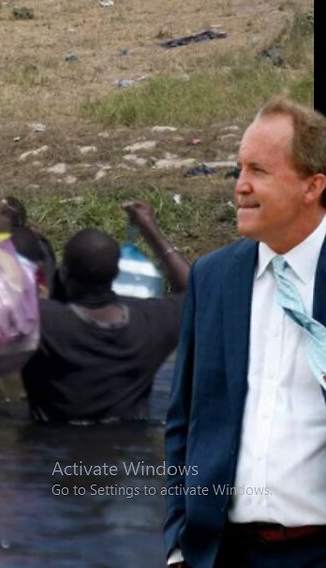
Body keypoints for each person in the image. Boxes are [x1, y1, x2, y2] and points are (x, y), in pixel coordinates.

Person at [165, 94, 326, 568]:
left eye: (258, 170)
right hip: (222, 554)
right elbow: (183, 421)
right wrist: (179, 545)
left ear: (312, 185)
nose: (240, 187)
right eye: (239, 170)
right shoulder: (212, 278)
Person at [20, 200, 191, 424]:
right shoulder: (150, 324)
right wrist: (150, 229)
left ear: (64, 274)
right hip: (128, 453)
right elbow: (195, 292)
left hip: (52, 450)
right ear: (116, 274)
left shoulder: (44, 322)